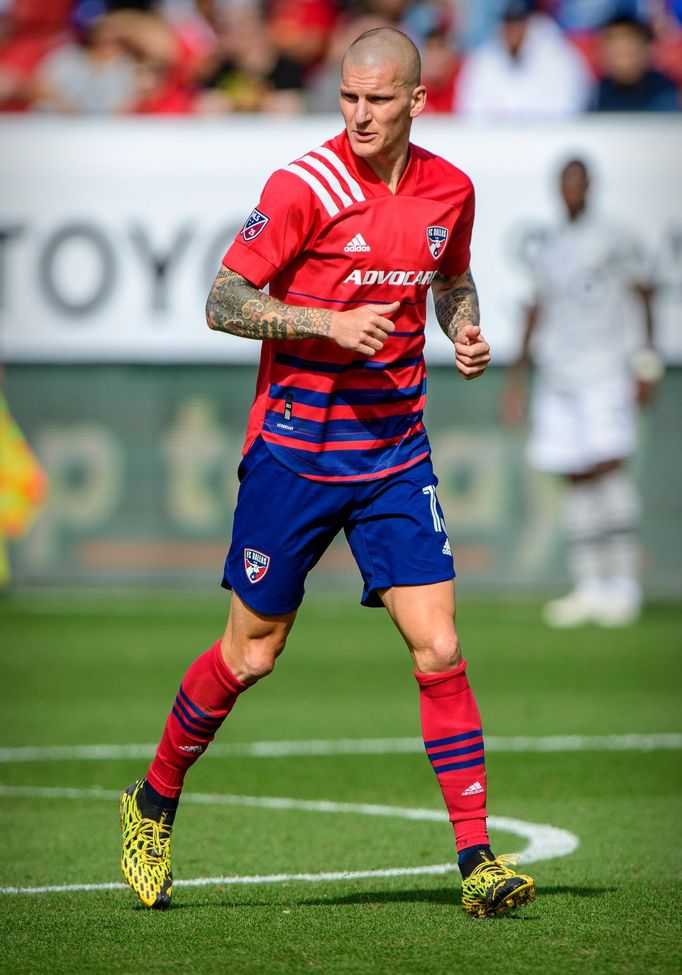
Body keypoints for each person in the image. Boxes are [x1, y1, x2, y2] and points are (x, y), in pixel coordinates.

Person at [119, 27, 536, 919]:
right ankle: (153, 799)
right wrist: (323, 323)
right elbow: (223, 300)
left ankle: (477, 859)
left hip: (394, 454)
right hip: (294, 456)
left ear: (416, 102)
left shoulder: (449, 190)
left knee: (440, 645)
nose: (358, 114)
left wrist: (463, 329)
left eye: (377, 100)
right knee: (251, 653)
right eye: (348, 96)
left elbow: (451, 278)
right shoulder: (303, 186)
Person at [503, 158, 662, 627]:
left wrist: (646, 362)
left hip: (606, 369)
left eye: (577, 182)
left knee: (607, 466)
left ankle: (624, 584)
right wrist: (518, 378)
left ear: (589, 186)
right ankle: (590, 584)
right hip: (560, 373)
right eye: (564, 184)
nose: (570, 191)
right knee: (573, 472)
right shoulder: (549, 243)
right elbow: (535, 308)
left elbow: (645, 293)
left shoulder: (614, 235)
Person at [455, 0, 592, 119]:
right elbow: (469, 108)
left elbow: (570, 105)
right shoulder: (483, 59)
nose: (513, 29)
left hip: (545, 139)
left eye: (518, 22)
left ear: (529, 22)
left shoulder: (557, 54)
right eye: (508, 22)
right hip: (496, 141)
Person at [589, 14, 680, 112]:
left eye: (628, 48)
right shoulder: (596, 93)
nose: (622, 51)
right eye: (616, 50)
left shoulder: (663, 90)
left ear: (645, 49)